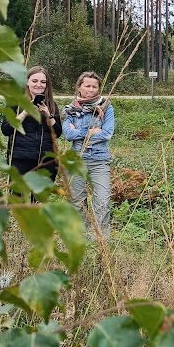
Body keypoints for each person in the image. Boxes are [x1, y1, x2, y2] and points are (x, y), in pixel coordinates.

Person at [62, 71, 114, 237]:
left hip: (100, 160)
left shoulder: (106, 107)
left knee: (103, 201)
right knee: (77, 202)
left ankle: (100, 239)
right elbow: (68, 135)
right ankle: (80, 238)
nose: (91, 89)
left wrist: (79, 132)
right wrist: (91, 131)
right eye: (87, 86)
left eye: (95, 86)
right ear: (79, 87)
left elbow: (107, 133)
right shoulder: (69, 110)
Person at [2, 66, 62, 179]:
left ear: (47, 84)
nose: (39, 84)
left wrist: (48, 114)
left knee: (40, 196)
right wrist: (25, 112)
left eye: (43, 82)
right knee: (17, 196)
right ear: (27, 82)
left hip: (46, 160)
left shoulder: (52, 105)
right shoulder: (15, 103)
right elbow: (6, 130)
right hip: (20, 159)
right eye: (34, 81)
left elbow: (57, 133)